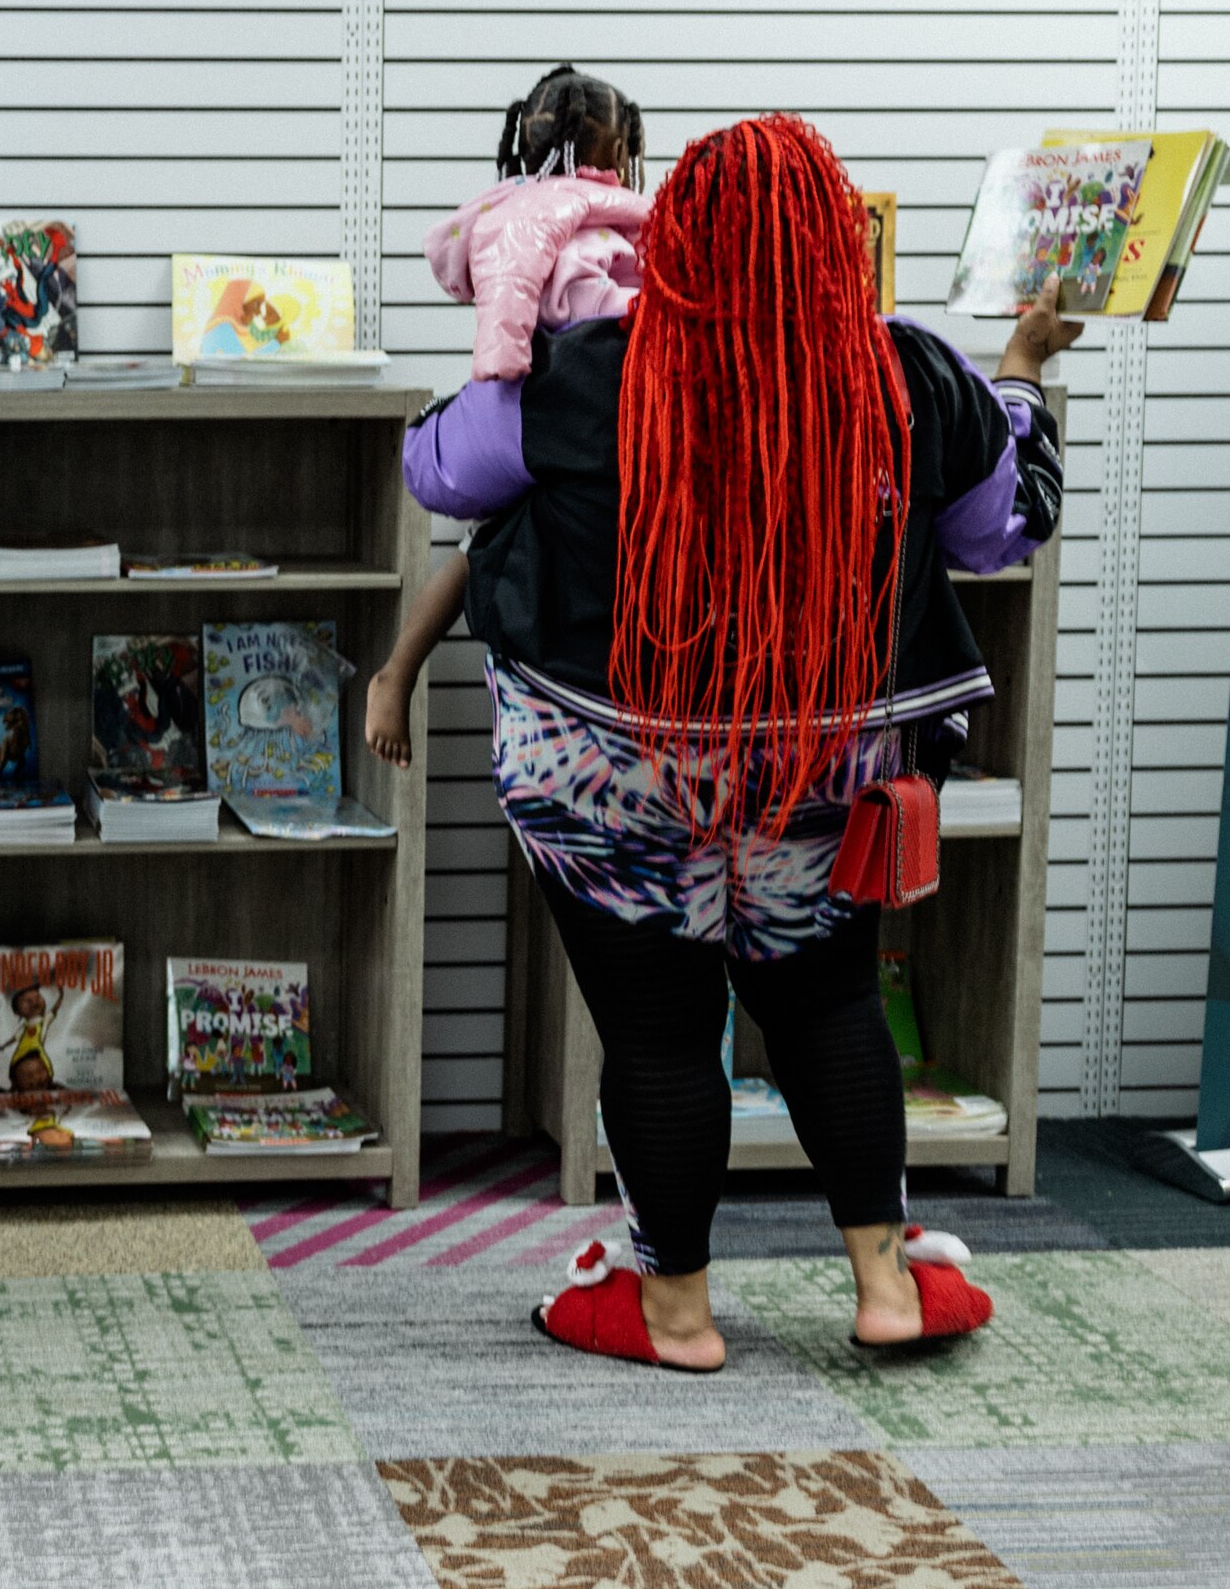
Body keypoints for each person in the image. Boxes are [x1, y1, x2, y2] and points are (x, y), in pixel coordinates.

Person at [403, 111, 1072, 1370]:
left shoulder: (590, 370)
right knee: (825, 1002)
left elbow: (443, 470)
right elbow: (1002, 530)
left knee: (655, 1028)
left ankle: (675, 1312)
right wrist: (1025, 367)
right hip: (825, 767)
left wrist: (517, 340)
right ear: (838, 238)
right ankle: (886, 1283)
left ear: (674, 235)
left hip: (611, 766)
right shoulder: (914, 373)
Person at [367, 67, 649, 768]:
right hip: (546, 392)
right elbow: (543, 292)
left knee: (480, 545)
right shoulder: (552, 213)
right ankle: (394, 674)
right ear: (616, 155)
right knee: (481, 547)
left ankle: (397, 671)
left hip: (548, 406)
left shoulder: (550, 208)